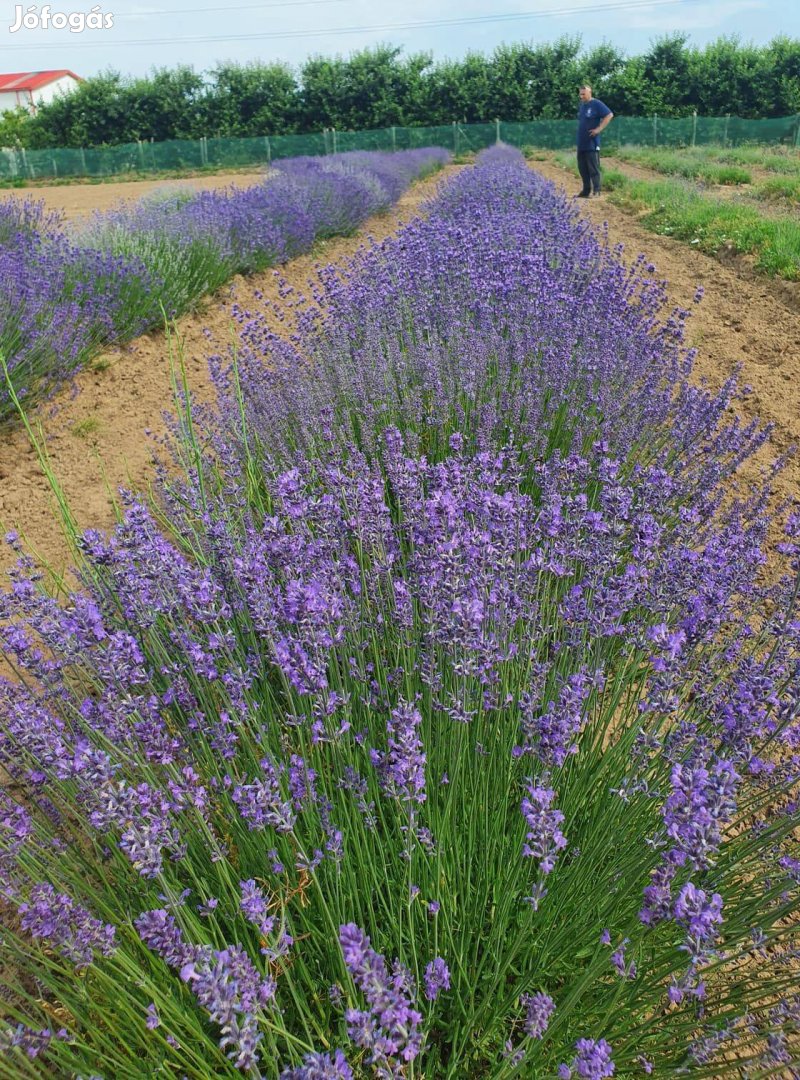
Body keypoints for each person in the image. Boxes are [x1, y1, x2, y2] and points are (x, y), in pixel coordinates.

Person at [576, 85, 614, 197]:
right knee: (582, 168)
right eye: (580, 94)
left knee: (593, 168)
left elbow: (609, 115)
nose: (581, 96)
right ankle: (586, 190)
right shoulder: (582, 105)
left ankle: (597, 190)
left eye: (583, 94)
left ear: (590, 93)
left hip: (592, 143)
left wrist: (599, 129)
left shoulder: (597, 104)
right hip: (581, 142)